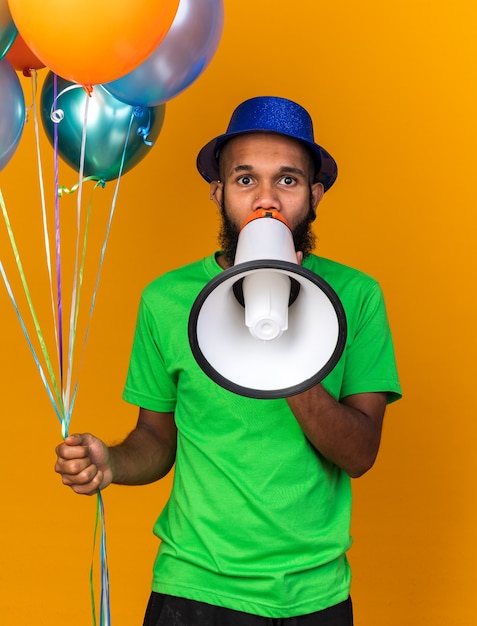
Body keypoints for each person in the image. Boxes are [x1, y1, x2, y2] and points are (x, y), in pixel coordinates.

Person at [55, 96, 402, 626]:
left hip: (315, 595)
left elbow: (359, 453)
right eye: (245, 180)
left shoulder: (356, 296)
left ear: (315, 194)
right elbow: (155, 440)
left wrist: (287, 359)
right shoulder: (167, 300)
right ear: (219, 193)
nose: (266, 200)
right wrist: (113, 464)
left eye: (287, 181)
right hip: (193, 589)